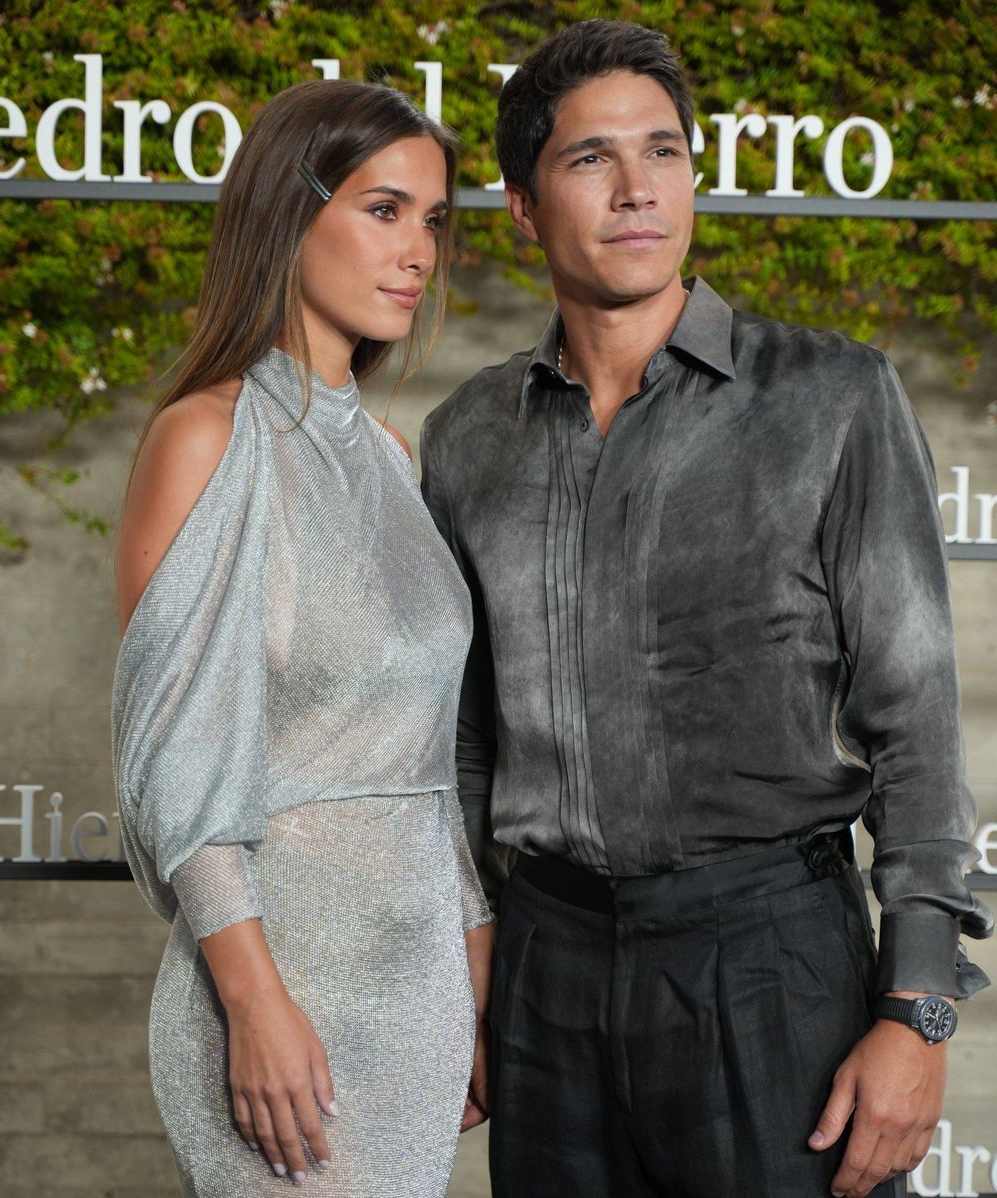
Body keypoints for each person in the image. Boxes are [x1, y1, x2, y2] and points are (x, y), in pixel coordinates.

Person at [420, 19, 993, 1198]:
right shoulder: (466, 436)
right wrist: (466, 980)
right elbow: (464, 745)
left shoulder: (830, 397)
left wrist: (918, 1007)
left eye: (663, 152)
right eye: (590, 161)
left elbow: (915, 724)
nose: (637, 190)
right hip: (545, 966)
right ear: (524, 207)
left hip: (771, 962)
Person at [112, 79, 493, 1198]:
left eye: (432, 218)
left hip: (417, 989)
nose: (416, 248)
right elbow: (176, 762)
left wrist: (472, 970)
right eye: (383, 209)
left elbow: (423, 764)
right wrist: (254, 1000)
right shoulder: (206, 438)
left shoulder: (389, 454)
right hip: (279, 987)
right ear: (290, 209)